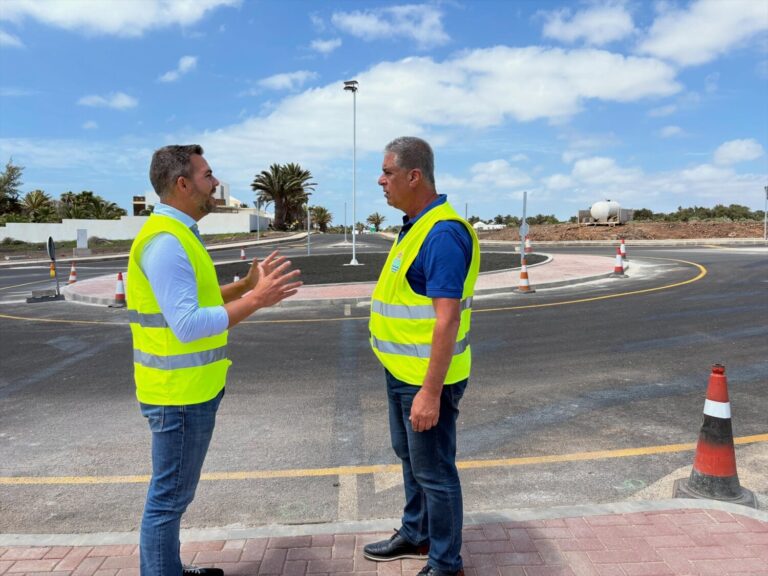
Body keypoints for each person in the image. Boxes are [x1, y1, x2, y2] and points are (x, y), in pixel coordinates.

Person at [127, 144, 302, 576]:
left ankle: (169, 568)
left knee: (173, 497)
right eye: (207, 176)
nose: (215, 184)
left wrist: (244, 286)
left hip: (189, 392)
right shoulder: (166, 243)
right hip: (178, 397)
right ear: (182, 183)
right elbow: (187, 325)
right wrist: (258, 300)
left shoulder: (181, 234)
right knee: (168, 499)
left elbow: (197, 302)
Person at [364, 137, 480, 576]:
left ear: (414, 176)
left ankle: (446, 563)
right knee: (411, 459)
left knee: (434, 471)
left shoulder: (443, 233)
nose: (381, 180)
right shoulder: (414, 225)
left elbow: (446, 320)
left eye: (387, 172)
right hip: (402, 371)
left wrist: (430, 393)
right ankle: (416, 533)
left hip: (427, 379)